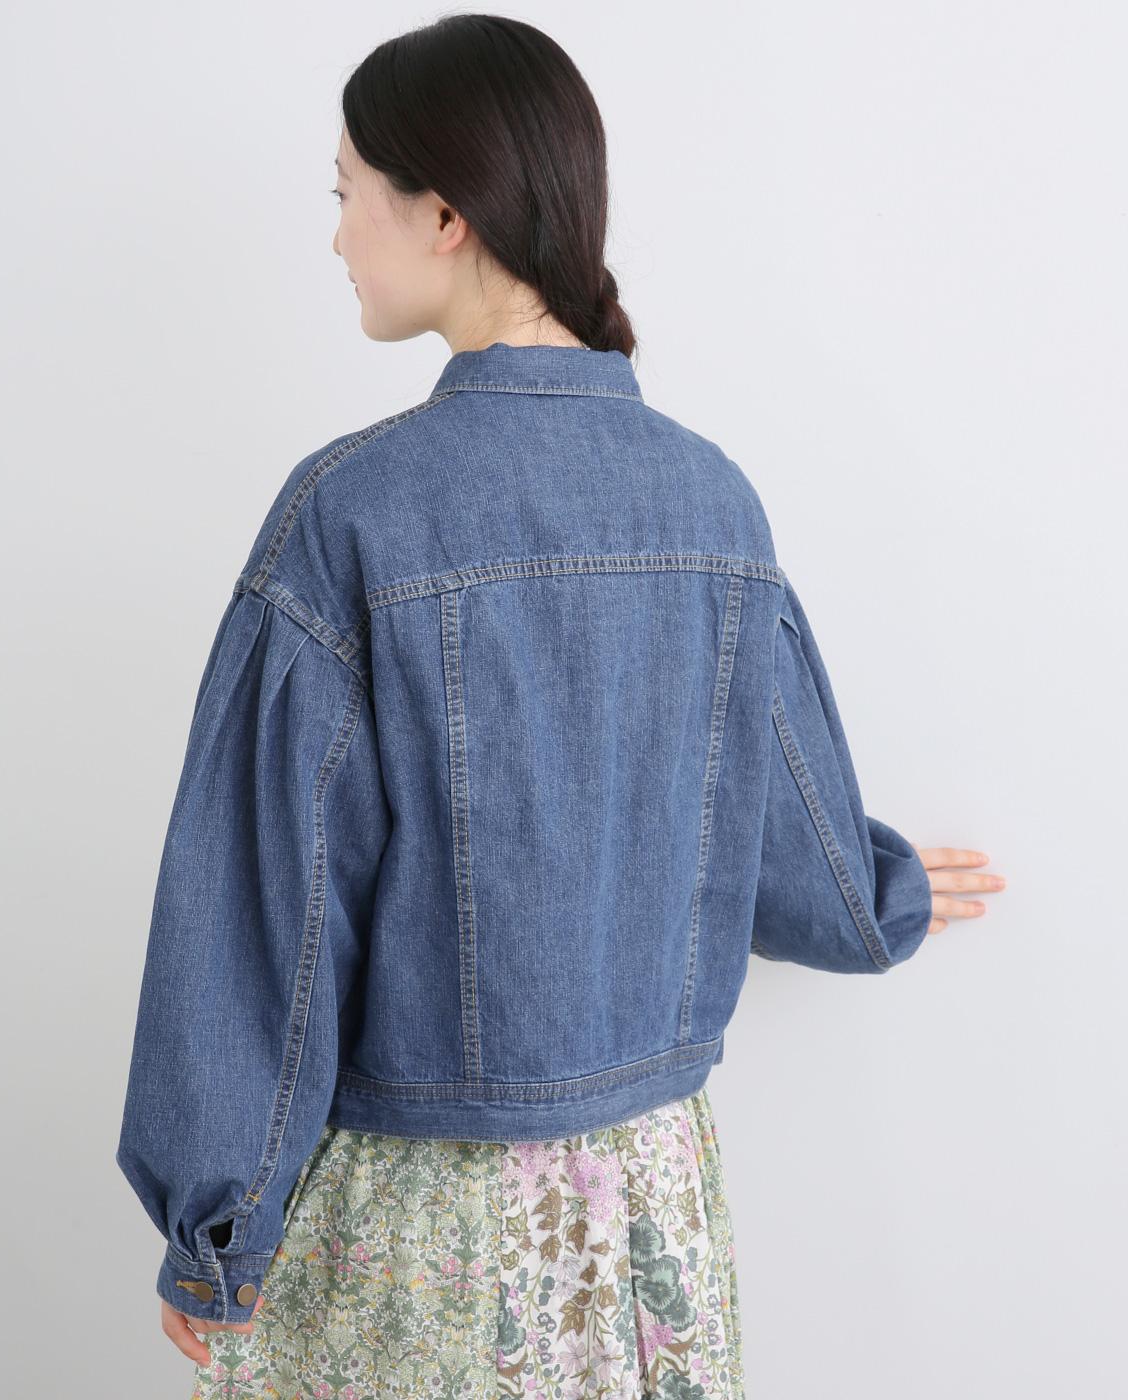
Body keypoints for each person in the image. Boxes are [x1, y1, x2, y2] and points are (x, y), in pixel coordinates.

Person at [114, 14, 1007, 1398]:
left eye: (347, 193)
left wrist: (219, 1224)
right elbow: (792, 851)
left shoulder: (353, 511)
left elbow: (263, 910)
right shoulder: (714, 502)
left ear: (447, 214)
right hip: (650, 1213)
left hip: (421, 1231)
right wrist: (882, 895)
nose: (336, 235)